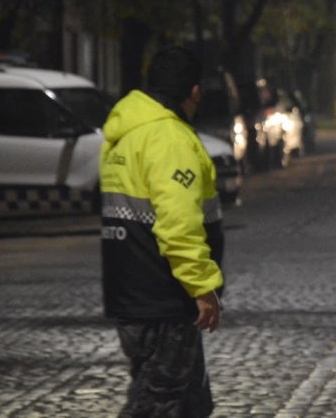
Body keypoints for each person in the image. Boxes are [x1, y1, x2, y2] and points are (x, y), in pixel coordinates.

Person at [100, 46, 224, 418]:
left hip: (132, 293)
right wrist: (201, 287)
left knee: (190, 403)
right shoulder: (170, 139)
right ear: (195, 92)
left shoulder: (128, 134)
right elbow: (178, 224)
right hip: (165, 297)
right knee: (158, 402)